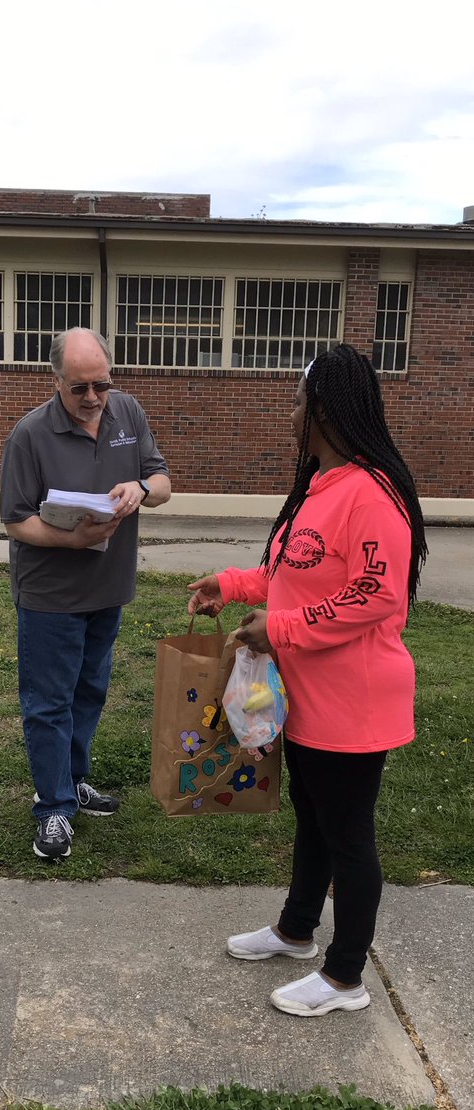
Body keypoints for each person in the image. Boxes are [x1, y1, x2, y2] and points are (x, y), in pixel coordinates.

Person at [188, 344, 427, 1018]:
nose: (290, 414)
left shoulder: (372, 493)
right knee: (313, 818)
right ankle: (296, 930)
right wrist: (230, 585)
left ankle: (345, 977)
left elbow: (377, 594)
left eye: (297, 401)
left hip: (354, 700)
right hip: (308, 697)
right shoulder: (319, 487)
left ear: (322, 409)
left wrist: (283, 629)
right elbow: (288, 576)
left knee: (347, 833)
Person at [0, 327, 170, 860]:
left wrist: (141, 488)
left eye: (102, 384)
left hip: (108, 586)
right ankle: (53, 807)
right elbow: (16, 520)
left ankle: (71, 781)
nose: (93, 397)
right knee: (49, 702)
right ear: (55, 381)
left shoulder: (128, 412)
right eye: (80, 388)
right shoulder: (29, 435)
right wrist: (71, 540)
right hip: (50, 594)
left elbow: (162, 482)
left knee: (89, 692)